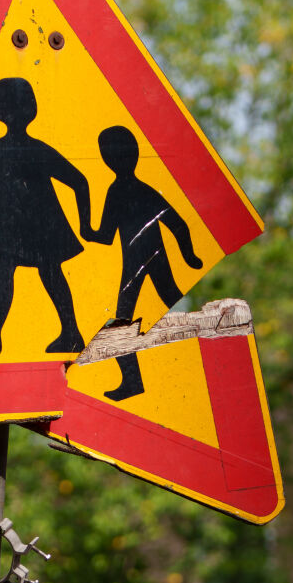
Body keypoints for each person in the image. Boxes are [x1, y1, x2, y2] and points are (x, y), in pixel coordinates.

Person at [0, 77, 93, 355]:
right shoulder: (22, 149)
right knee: (36, 271)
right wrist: (85, 225)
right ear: (31, 108)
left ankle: (66, 333)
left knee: (24, 270)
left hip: (28, 227)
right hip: (22, 227)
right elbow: (79, 182)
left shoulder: (2, 150)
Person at [87, 125, 203, 401]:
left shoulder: (124, 191)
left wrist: (190, 257)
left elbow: (175, 222)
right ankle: (140, 380)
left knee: (123, 324)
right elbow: (176, 224)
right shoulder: (131, 190)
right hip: (145, 262)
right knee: (164, 310)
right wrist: (189, 257)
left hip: (143, 264)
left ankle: (160, 375)